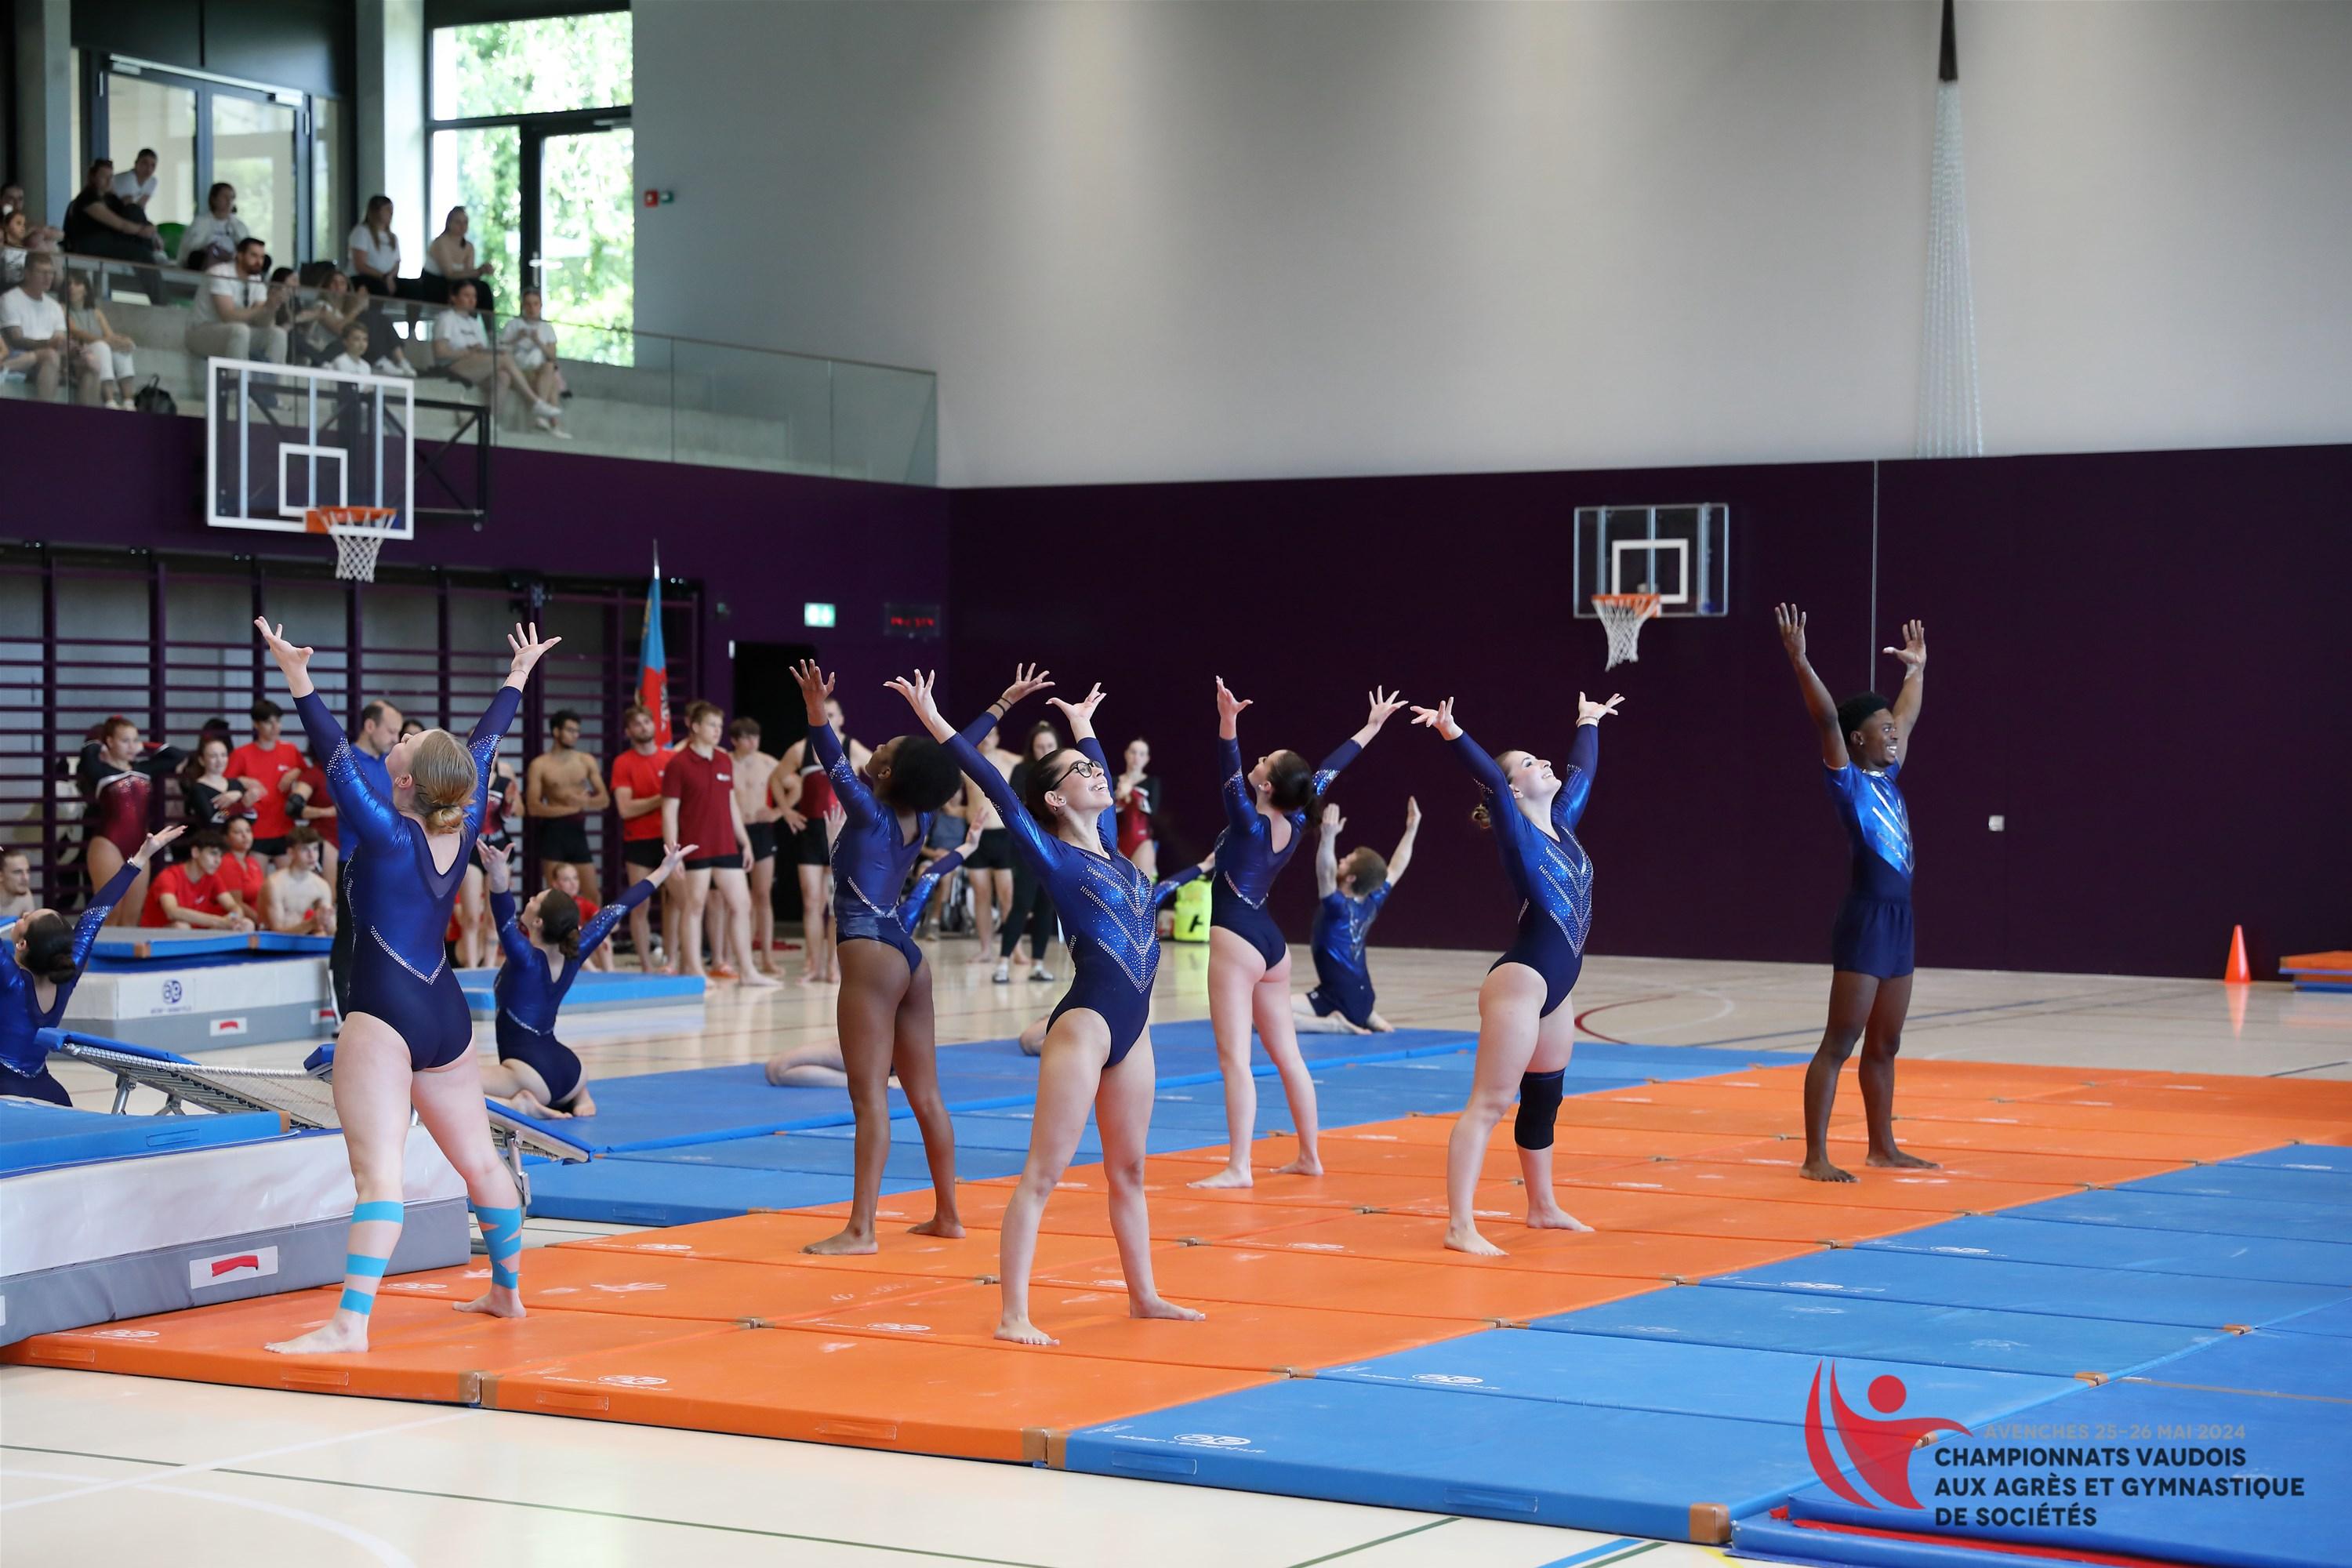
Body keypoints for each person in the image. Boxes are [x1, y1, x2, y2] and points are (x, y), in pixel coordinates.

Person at [252, 613, 558, 1356]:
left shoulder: (387, 832)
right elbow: (486, 744)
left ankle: (350, 1324)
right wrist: (517, 678)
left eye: (410, 742)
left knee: (377, 1174)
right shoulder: (464, 819)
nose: (404, 736)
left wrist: (299, 678)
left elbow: (333, 752)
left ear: (406, 779)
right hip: (444, 1013)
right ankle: (507, 1292)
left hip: (383, 1014)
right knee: (480, 1161)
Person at [895, 665, 1203, 1345]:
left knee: (1130, 1170)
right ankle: (1013, 1314)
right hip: (1086, 1025)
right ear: (1057, 800)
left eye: (1094, 769)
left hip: (1135, 1030)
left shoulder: (1112, 847)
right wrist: (935, 720)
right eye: (1081, 772)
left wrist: (1084, 726)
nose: (1097, 774)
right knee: (1043, 1174)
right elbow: (998, 786)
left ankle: (1145, 1296)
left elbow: (1096, 771)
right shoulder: (1054, 856)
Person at [1412, 688, 1622, 1254]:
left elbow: (1581, 771)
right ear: (1512, 790)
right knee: (1488, 1104)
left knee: (1544, 1099)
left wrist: (1588, 721)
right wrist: (1452, 733)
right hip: (1522, 982)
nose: (1544, 762)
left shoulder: (1563, 821)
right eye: (1529, 763)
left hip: (1557, 989)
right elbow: (1486, 774)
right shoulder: (1516, 829)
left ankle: (1542, 1206)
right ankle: (1460, 1225)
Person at [775, 662, 976, 1251]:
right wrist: (1000, 706)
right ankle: (948, 1215)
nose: (877, 744)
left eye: (885, 746)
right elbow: (954, 756)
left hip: (869, 954)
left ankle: (862, 1229)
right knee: (926, 1095)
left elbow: (830, 756)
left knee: (869, 1098)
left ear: (885, 772)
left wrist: (815, 708)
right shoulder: (923, 814)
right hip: (909, 957)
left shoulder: (868, 809)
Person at [1189, 681, 1403, 1190]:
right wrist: (1370, 728)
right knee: (1288, 1056)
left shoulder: (1249, 823)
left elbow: (1228, 767)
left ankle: (1239, 1167)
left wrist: (1228, 721)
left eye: (1265, 760)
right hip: (1271, 944)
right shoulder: (1299, 817)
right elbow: (1329, 770)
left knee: (1235, 1059)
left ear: (1265, 786)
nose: (1257, 760)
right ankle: (1309, 1155)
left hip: (1237, 940)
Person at [1775, 604, 1936, 1184]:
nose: (1894, 734)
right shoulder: (1848, 782)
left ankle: (1882, 1147)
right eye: (1883, 731)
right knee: (1840, 1041)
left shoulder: (1888, 776)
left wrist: (1915, 670)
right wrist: (1801, 661)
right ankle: (1815, 1156)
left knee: (1886, 1043)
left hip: (1900, 919)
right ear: (1856, 740)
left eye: (1893, 730)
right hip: (1866, 918)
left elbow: (1908, 716)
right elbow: (1825, 718)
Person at [767, 811, 984, 1088]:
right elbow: (931, 876)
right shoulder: (898, 919)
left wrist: (835, 843)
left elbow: (848, 880)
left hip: (876, 1043)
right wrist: (968, 847)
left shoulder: (859, 916)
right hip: (879, 1041)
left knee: (778, 1070)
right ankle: (876, 1078)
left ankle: (877, 1081)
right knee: (778, 1069)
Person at [478, 837, 688, 1120]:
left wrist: (498, 875)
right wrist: (664, 869)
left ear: (538, 922)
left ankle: (519, 1106)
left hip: (527, 1074)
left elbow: (503, 917)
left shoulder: (525, 959)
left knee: (447, 1085)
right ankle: (579, 1097)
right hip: (570, 1072)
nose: (529, 899)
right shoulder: (575, 953)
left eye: (535, 899)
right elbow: (619, 907)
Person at [2, 827, 182, 1102]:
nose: (23, 914)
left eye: (26, 918)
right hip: (43, 1086)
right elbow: (94, 915)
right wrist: (140, 858)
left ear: (22, 944)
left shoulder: (9, 976)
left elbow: (94, 915)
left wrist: (139, 859)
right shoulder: (67, 975)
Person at [1014, 855, 1212, 1057]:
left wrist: (1203, 866)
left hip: (1104, 1011)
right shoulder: (1135, 904)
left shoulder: (1142, 904)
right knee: (1030, 1041)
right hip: (1113, 1012)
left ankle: (1079, 1045)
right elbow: (1169, 886)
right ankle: (1075, 1043)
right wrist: (1202, 866)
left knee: (1029, 1041)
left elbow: (1169, 885)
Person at [662, 701, 777, 987]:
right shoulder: (678, 764)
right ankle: (695, 970)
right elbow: (669, 811)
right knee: (694, 905)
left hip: (726, 845)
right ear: (695, 726)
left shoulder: (724, 760)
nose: (717, 731)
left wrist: (745, 842)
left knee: (742, 904)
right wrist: (673, 852)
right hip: (695, 847)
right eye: (712, 725)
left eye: (719, 726)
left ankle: (747, 971)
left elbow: (731, 804)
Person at [1291, 798, 1420, 1034]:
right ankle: (1366, 1016)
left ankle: (1333, 1024)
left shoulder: (1337, 907)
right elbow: (1395, 868)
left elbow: (1325, 872)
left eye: (1347, 861)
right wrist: (1411, 829)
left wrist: (1328, 837)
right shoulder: (1370, 902)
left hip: (1337, 999)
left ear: (1351, 878)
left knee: (1262, 1013)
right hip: (1364, 998)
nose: (1341, 860)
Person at [774, 695, 870, 985]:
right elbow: (776, 779)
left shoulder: (852, 748)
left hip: (841, 832)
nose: (828, 717)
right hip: (811, 834)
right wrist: (786, 810)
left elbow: (883, 773)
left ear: (841, 719)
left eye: (833, 713)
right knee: (811, 903)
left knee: (835, 904)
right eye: (823, 712)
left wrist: (866, 812)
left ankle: (833, 965)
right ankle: (812, 964)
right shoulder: (801, 749)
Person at [328, 700, 401, 1022]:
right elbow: (354, 811)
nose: (396, 738)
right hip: (355, 861)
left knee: (387, 936)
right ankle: (344, 1012)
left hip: (390, 862)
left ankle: (379, 1008)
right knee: (350, 936)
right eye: (391, 731)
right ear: (370, 726)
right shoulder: (346, 763)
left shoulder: (391, 764)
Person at [78, 715, 181, 926]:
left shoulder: (145, 769)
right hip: (108, 844)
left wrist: (144, 745)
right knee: (109, 914)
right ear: (110, 741)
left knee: (132, 916)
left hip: (140, 847)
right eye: (125, 741)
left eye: (135, 740)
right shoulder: (99, 772)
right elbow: (88, 750)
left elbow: (176, 755)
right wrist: (101, 744)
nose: (132, 746)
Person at [993, 720, 1065, 985]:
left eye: (1049, 746)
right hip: (1029, 845)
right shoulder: (1023, 770)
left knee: (1047, 906)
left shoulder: (1065, 770)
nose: (1044, 750)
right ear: (1032, 748)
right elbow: (1014, 806)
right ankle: (1003, 962)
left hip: (1056, 846)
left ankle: (1038, 964)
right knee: (1021, 903)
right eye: (1039, 746)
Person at [608, 703, 674, 973]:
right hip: (638, 840)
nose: (644, 728)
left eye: (647, 722)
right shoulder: (623, 762)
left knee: (675, 901)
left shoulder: (670, 758)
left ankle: (671, 961)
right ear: (628, 731)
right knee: (640, 903)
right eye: (637, 724)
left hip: (669, 837)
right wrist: (662, 799)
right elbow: (626, 809)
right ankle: (646, 965)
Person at [434, 280, 554, 423]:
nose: (472, 300)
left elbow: (484, 350)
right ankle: (535, 402)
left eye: (474, 296)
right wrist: (467, 352)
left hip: (476, 364)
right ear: (454, 297)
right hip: (452, 366)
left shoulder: (475, 323)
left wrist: (480, 351)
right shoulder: (446, 318)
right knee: (504, 357)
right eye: (466, 295)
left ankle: (490, 420)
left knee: (504, 376)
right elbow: (440, 352)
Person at [526, 708, 608, 907]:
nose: (575, 735)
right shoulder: (540, 765)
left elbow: (604, 800)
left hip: (577, 833)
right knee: (555, 897)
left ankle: (591, 929)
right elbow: (533, 807)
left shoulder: (585, 760)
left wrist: (584, 803)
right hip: (553, 833)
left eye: (577, 731)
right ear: (556, 731)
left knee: (592, 896)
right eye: (570, 730)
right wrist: (571, 808)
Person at [954, 722, 1019, 966]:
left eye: (992, 735)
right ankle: (985, 949)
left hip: (1003, 834)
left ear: (998, 737)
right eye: (984, 735)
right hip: (977, 836)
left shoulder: (1010, 761)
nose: (987, 739)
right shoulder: (966, 763)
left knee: (1007, 895)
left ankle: (1014, 949)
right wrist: (958, 811)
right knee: (981, 894)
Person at [728, 718, 784, 974]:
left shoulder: (769, 763)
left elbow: (797, 785)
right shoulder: (725, 763)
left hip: (761, 832)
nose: (752, 742)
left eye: (755, 737)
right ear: (734, 740)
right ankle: (732, 956)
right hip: (734, 831)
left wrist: (777, 813)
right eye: (746, 738)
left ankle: (767, 958)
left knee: (762, 895)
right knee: (734, 899)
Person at [187, 237, 288, 368]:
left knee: (278, 334)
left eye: (262, 257)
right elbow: (228, 316)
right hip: (201, 332)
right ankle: (237, 380)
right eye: (254, 256)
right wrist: (263, 309)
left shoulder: (256, 280)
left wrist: (271, 307)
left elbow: (264, 323)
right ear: (240, 255)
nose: (259, 262)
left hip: (236, 334)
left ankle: (271, 380)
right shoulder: (220, 273)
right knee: (240, 330)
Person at [227, 697, 307, 861]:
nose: (275, 727)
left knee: (289, 877)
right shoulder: (241, 754)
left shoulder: (290, 750)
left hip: (285, 827)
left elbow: (310, 777)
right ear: (256, 724)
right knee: (257, 877)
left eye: (278, 721)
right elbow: (225, 786)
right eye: (269, 722)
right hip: (255, 830)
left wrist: (297, 772)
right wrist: (242, 784)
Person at [140, 828, 251, 930]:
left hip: (195, 932)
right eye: (213, 854)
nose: (218, 861)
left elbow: (233, 906)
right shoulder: (169, 876)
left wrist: (235, 917)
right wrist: (219, 921)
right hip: (155, 934)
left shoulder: (212, 877)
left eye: (221, 856)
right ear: (195, 852)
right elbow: (172, 912)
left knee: (247, 924)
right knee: (181, 927)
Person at [60, 159, 161, 270]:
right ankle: (151, 256)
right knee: (141, 254)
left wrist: (153, 232)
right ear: (93, 177)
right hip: (89, 244)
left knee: (134, 209)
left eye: (111, 177)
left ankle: (153, 251)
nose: (109, 181)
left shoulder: (111, 198)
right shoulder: (87, 199)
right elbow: (120, 225)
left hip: (109, 239)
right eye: (104, 177)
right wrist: (142, 230)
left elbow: (131, 216)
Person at [499, 289, 570, 437]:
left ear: (540, 305)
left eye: (535, 304)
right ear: (523, 306)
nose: (532, 308)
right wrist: (517, 338)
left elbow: (552, 356)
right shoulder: (513, 324)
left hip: (540, 371)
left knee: (550, 370)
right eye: (528, 304)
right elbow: (501, 349)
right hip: (519, 371)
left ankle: (543, 415)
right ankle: (552, 423)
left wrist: (538, 341)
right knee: (552, 380)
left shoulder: (547, 328)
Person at [63, 271, 136, 408]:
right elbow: (75, 332)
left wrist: (122, 341)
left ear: (86, 290)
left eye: (77, 284)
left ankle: (128, 402)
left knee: (121, 350)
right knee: (102, 347)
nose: (71, 287)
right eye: (69, 284)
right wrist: (103, 341)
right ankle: (109, 401)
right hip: (80, 352)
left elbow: (110, 336)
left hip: (100, 347)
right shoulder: (63, 309)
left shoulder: (96, 312)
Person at [1, 252, 67, 400]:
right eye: (42, 272)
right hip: (19, 355)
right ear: (27, 273)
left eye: (51, 272)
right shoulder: (10, 299)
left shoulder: (55, 306)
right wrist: (48, 344)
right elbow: (15, 340)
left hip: (52, 356)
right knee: (50, 355)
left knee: (91, 362)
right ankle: (46, 410)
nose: (48, 277)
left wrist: (67, 346)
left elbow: (59, 339)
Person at [419, 205, 496, 313]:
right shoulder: (440, 243)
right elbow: (449, 274)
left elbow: (468, 274)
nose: (462, 226)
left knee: (482, 288)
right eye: (458, 222)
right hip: (435, 284)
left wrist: (483, 270)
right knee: (462, 291)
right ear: (449, 223)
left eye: (465, 222)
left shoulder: (469, 247)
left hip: (455, 283)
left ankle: (485, 322)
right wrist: (479, 271)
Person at [263, 828, 335, 935]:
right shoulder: (275, 884)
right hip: (272, 942)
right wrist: (311, 924)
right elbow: (276, 933)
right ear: (291, 853)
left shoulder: (321, 885)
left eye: (315, 849)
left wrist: (326, 922)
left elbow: (331, 931)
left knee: (321, 934)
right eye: (305, 849)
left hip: (303, 939)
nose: (312, 855)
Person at [1114, 739, 1160, 878]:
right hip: (1115, 840)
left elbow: (1153, 811)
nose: (1136, 757)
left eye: (1141, 754)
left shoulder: (1152, 783)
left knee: (1142, 884)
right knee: (1118, 884)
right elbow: (1103, 812)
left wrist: (1132, 793)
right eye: (1133, 752)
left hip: (1141, 840)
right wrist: (1119, 796)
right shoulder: (1114, 781)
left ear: (1147, 759)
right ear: (1126, 754)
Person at [347, 195, 408, 298]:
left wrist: (390, 277)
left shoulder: (393, 237)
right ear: (377, 211)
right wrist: (383, 277)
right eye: (387, 209)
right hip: (364, 278)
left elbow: (397, 262)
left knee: (411, 288)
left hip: (387, 278)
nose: (391, 213)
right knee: (380, 288)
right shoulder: (362, 232)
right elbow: (360, 265)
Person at [178, 183, 250, 270]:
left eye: (231, 198)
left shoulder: (239, 226)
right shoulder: (201, 222)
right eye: (224, 197)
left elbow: (247, 249)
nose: (229, 201)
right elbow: (189, 251)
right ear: (214, 199)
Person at [215, 818, 269, 924]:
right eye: (238, 832)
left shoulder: (252, 862)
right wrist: (262, 922)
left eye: (248, 831)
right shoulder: (226, 862)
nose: (245, 836)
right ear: (226, 838)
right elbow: (236, 903)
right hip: (238, 920)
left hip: (259, 917)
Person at [111, 150, 160, 218]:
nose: (149, 168)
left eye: (153, 165)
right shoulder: (128, 179)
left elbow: (141, 206)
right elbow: (129, 208)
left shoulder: (152, 182)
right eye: (145, 163)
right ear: (136, 163)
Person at [0, 850, 35, 923]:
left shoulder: (26, 896)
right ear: (1, 876)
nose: (26, 878)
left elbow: (31, 927)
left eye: (28, 871)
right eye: (18, 872)